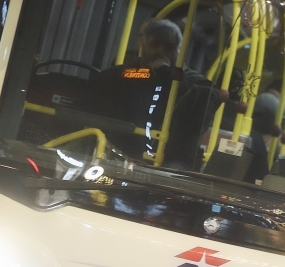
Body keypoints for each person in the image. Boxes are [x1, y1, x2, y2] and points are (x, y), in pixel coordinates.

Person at [94, 19, 221, 169]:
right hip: (118, 151)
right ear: (143, 44)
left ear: (179, 50)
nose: (161, 51)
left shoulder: (194, 83)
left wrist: (165, 74)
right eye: (154, 45)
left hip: (171, 159)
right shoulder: (118, 75)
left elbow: (208, 99)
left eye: (169, 47)